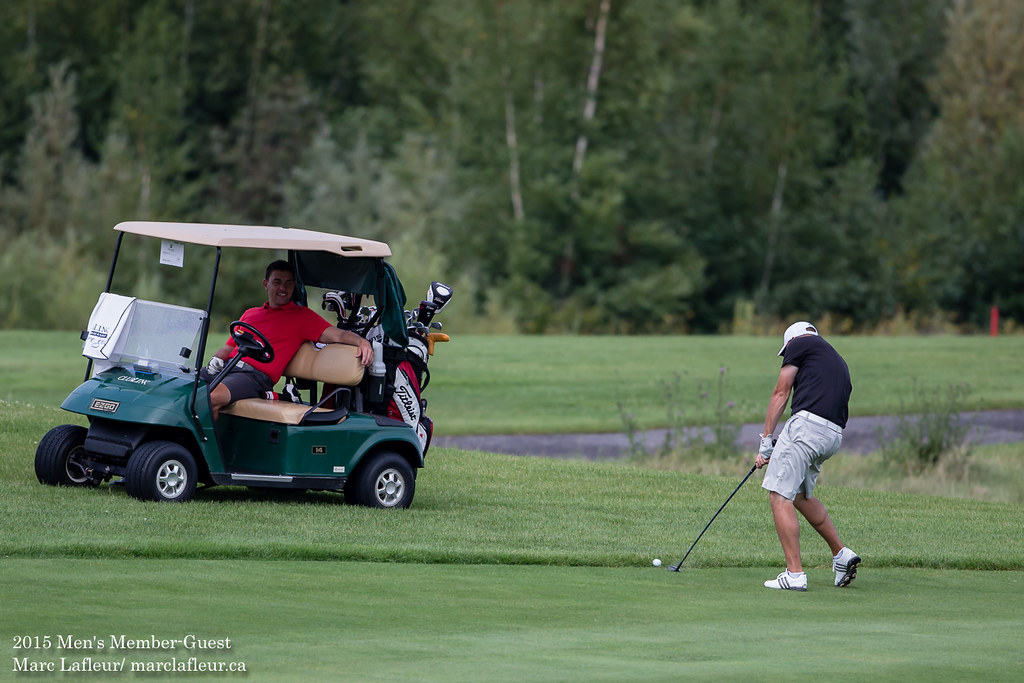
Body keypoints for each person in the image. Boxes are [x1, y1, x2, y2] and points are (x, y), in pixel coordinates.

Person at [753, 321, 859, 591]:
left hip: (807, 429)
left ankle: (795, 574)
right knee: (800, 496)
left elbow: (781, 391)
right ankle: (841, 554)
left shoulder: (800, 343)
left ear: (791, 341)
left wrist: (766, 441)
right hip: (832, 436)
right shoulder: (836, 359)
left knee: (778, 494)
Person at [201, 260, 373, 420]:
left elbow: (339, 335)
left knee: (212, 398)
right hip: (229, 368)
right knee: (185, 388)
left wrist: (362, 342)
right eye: (277, 282)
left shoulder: (302, 317)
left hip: (254, 377)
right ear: (265, 284)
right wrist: (216, 360)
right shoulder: (251, 314)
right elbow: (228, 348)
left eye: (289, 283)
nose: (283, 288)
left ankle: (203, 452)